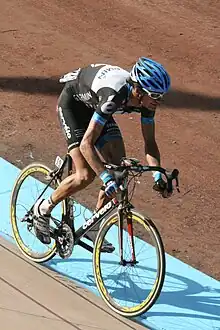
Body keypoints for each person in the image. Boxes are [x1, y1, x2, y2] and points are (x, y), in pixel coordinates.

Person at [33, 57, 171, 246]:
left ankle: (93, 226)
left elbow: (149, 141)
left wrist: (157, 175)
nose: (159, 101)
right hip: (73, 106)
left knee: (119, 170)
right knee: (85, 175)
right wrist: (105, 178)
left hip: (95, 108)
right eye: (155, 96)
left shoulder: (147, 103)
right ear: (138, 90)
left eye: (161, 96)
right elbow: (86, 145)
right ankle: (43, 208)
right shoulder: (114, 95)